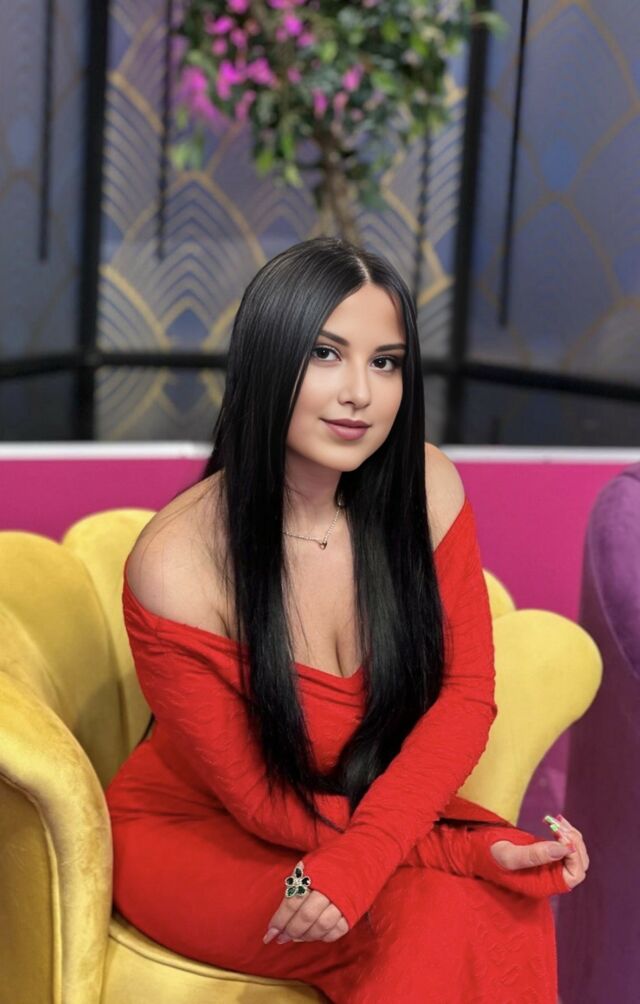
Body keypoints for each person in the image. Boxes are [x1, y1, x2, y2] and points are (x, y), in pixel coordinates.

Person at [106, 236, 588, 1002]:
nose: (361, 392)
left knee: (499, 907)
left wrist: (422, 851)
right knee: (428, 912)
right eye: (327, 354)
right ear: (268, 359)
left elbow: (465, 699)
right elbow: (262, 802)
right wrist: (461, 849)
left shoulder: (426, 487)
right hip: (203, 839)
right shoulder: (178, 562)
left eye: (386, 362)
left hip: (351, 824)